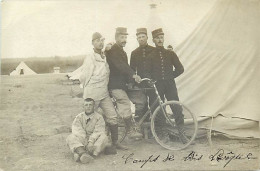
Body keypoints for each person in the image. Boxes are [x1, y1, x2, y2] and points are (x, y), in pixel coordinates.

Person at [79, 32, 126, 154]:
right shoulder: (90, 57)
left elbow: (108, 48)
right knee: (88, 119)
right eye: (97, 41)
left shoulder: (104, 55)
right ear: (92, 43)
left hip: (104, 93)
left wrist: (109, 45)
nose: (100, 43)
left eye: (102, 40)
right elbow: (84, 76)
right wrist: (86, 91)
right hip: (92, 93)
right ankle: (84, 144)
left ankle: (115, 142)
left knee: (112, 115)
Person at [149, 28, 188, 143]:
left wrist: (170, 76)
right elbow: (148, 71)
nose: (159, 40)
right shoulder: (151, 55)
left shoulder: (170, 53)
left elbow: (180, 69)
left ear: (164, 38)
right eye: (157, 38)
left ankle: (182, 134)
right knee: (160, 110)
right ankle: (164, 134)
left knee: (176, 107)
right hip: (158, 85)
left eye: (161, 37)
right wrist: (153, 80)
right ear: (153, 40)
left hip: (170, 84)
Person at [106, 27, 143, 139]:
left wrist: (132, 81)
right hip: (115, 86)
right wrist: (133, 75)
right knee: (125, 102)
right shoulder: (113, 50)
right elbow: (121, 66)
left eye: (125, 37)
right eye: (122, 37)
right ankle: (130, 130)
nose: (124, 40)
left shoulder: (122, 51)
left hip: (124, 85)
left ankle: (136, 124)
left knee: (141, 99)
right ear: (116, 38)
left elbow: (125, 68)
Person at [66, 98, 109, 164]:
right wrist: (85, 141)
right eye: (86, 105)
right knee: (70, 137)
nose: (88, 107)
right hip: (83, 140)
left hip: (94, 141)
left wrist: (91, 142)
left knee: (104, 137)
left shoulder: (99, 117)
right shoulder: (79, 117)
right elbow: (77, 129)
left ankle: (80, 154)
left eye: (90, 105)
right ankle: (83, 153)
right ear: (83, 106)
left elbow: (98, 131)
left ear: (94, 106)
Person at [128, 28, 155, 122]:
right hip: (140, 84)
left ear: (147, 37)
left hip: (152, 83)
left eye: (143, 36)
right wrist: (134, 80)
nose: (141, 39)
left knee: (154, 104)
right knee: (141, 106)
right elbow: (132, 69)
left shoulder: (154, 50)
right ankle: (142, 128)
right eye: (139, 37)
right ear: (137, 39)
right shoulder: (134, 53)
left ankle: (156, 127)